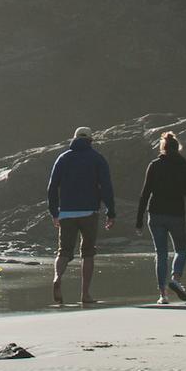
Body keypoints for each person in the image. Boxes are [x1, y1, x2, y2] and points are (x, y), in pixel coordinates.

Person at [46, 126, 116, 306]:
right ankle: (85, 294)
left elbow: (52, 187)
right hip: (89, 212)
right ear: (91, 140)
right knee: (88, 253)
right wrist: (111, 211)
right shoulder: (97, 159)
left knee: (63, 251)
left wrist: (54, 212)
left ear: (74, 139)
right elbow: (106, 187)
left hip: (66, 212)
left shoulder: (63, 158)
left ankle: (57, 277)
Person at [136, 130, 186, 304]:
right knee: (181, 250)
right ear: (178, 148)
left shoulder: (154, 165)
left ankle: (163, 295)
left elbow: (145, 194)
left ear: (163, 148)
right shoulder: (184, 166)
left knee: (161, 254)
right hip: (176, 215)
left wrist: (139, 220)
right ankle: (176, 279)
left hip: (155, 215)